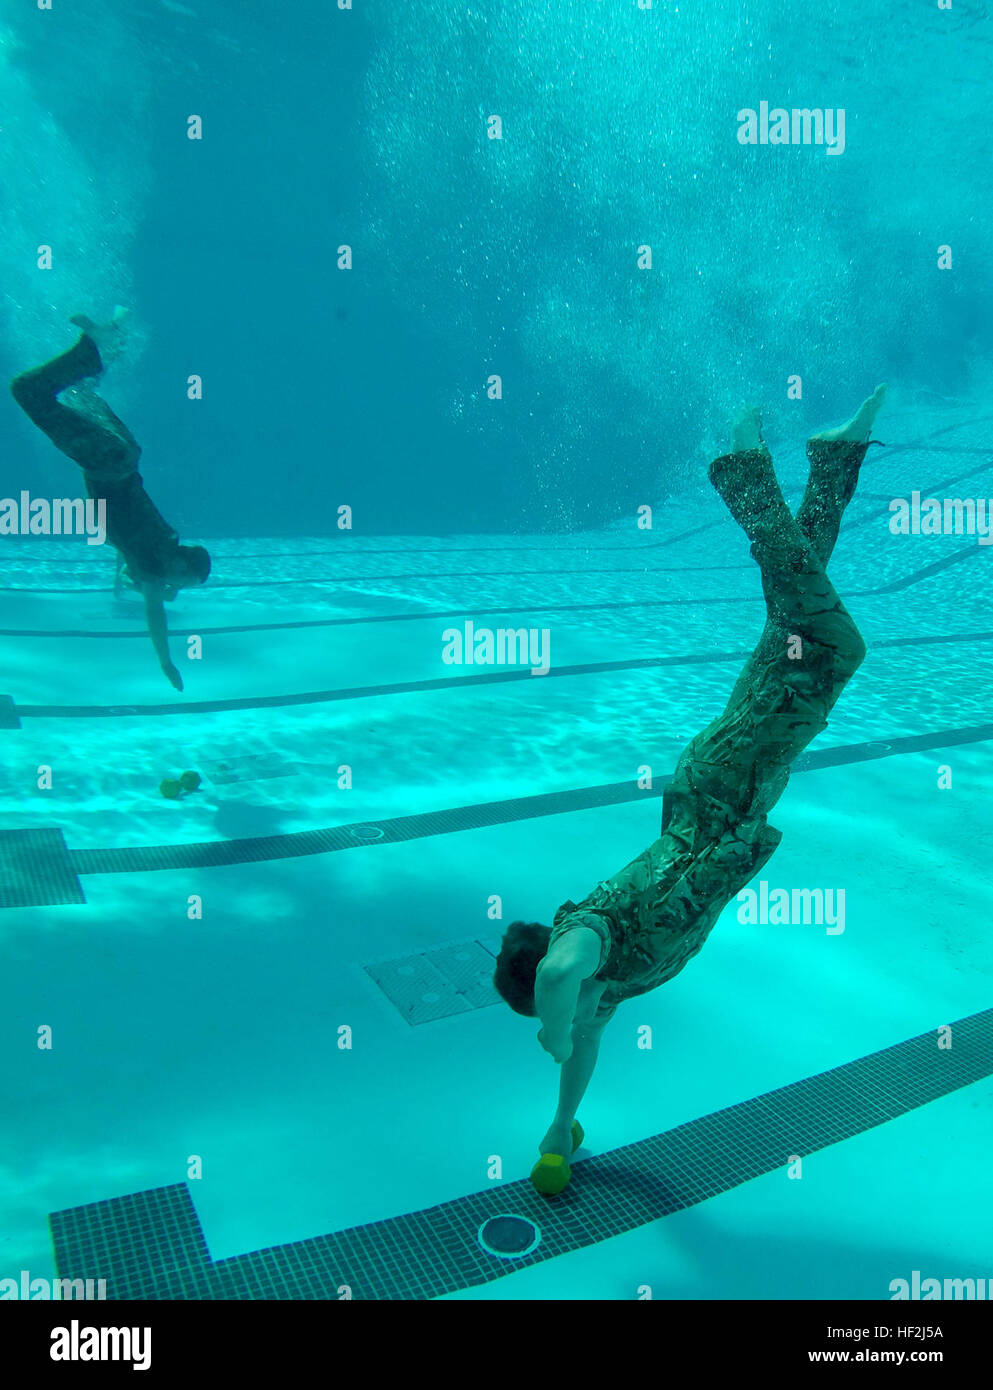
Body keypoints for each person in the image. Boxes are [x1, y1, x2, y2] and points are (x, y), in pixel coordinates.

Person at [494, 386, 887, 1194]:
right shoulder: (603, 991)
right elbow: (582, 1042)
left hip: (727, 779)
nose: (568, 1023)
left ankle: (745, 466)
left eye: (553, 1012)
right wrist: (558, 1124)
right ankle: (830, 457)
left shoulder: (587, 940)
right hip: (740, 783)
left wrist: (552, 1033)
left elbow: (563, 980)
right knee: (795, 618)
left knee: (832, 644)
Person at [9, 310, 211, 691]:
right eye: (183, 581)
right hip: (105, 462)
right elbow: (156, 613)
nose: (173, 591)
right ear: (180, 566)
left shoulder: (162, 547)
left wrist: (168, 586)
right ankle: (94, 346)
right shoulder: (154, 565)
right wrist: (166, 663)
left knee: (81, 393)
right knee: (27, 390)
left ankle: (109, 339)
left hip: (124, 454)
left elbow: (156, 585)